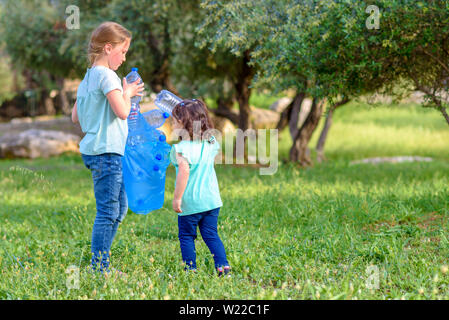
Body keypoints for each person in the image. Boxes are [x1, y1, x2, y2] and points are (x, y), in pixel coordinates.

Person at [71, 22, 144, 274]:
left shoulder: (88, 76)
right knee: (108, 211)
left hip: (100, 151)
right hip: (106, 152)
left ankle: (101, 261)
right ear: (108, 47)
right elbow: (122, 112)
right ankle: (99, 268)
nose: (124, 58)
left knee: (119, 208)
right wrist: (128, 92)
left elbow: (75, 117)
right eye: (122, 52)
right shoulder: (107, 76)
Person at [170, 99, 231, 276]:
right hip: (212, 200)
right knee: (211, 234)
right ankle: (223, 267)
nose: (172, 124)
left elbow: (184, 171)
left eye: (174, 121)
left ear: (184, 124)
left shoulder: (181, 148)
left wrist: (177, 198)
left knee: (187, 236)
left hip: (191, 202)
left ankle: (191, 270)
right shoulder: (211, 142)